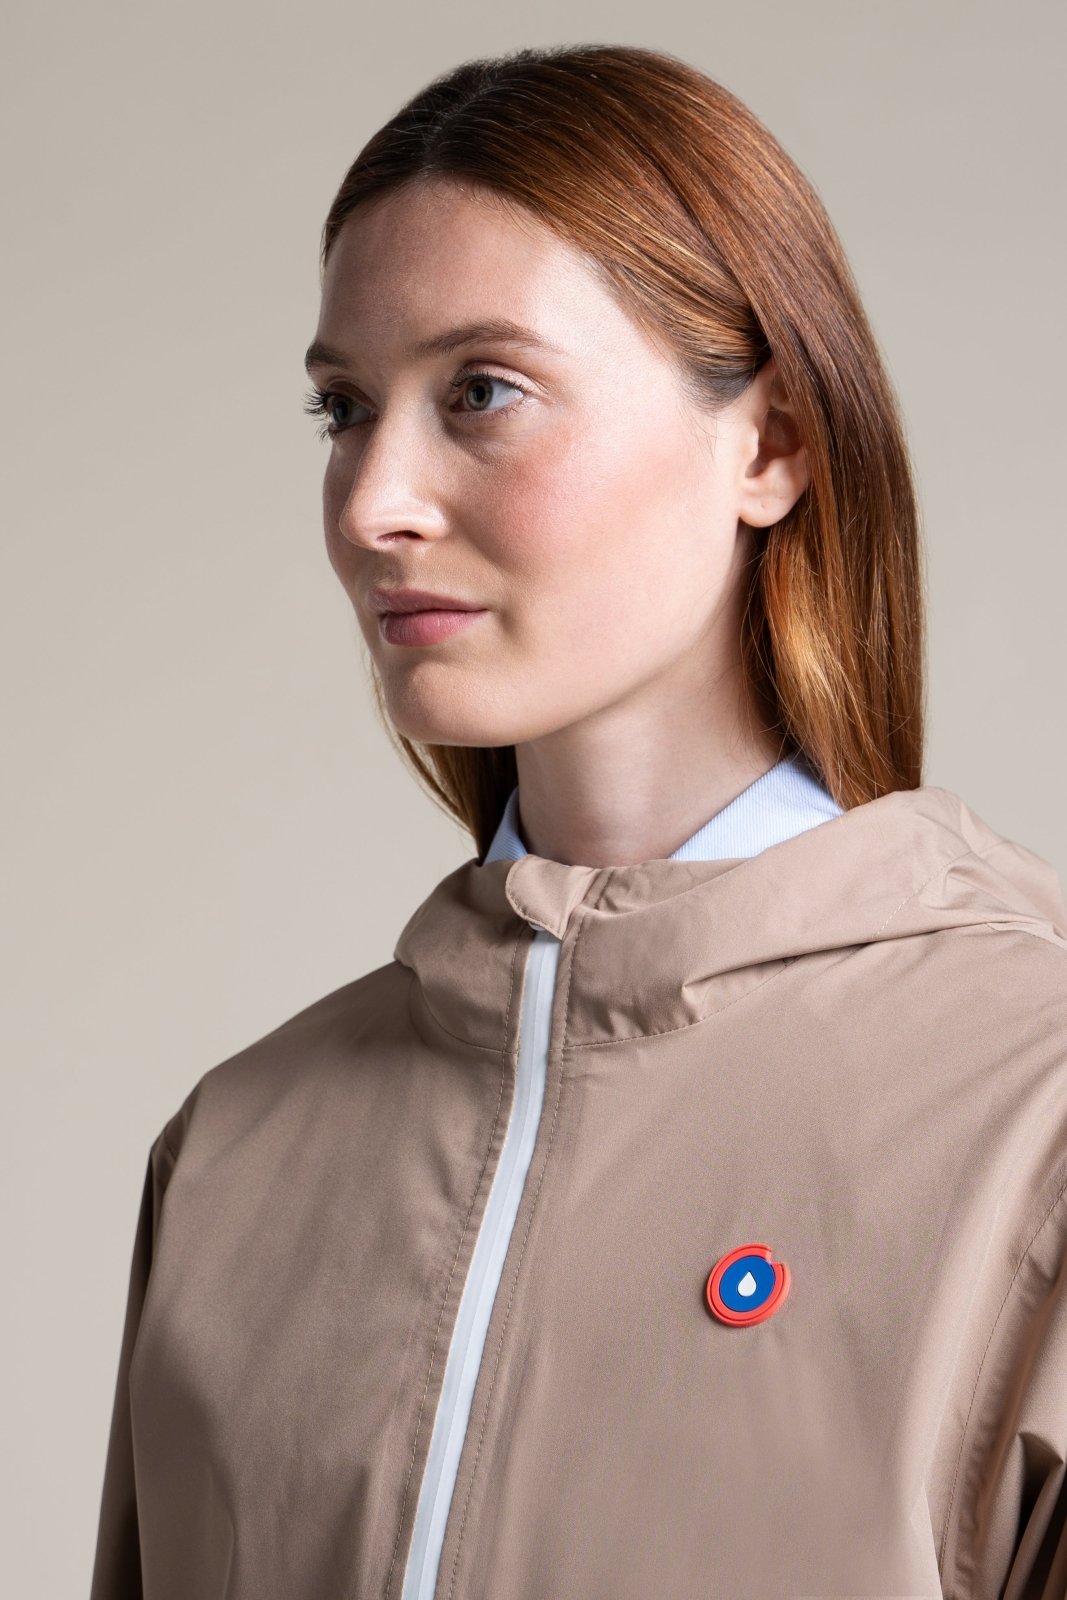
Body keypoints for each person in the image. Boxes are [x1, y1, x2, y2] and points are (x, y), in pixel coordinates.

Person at [90, 42, 1067, 1600]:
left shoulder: (1034, 1104)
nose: (372, 504)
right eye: (345, 408)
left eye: (482, 392)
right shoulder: (232, 1155)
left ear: (772, 444)